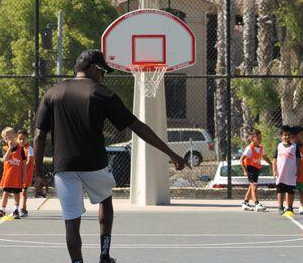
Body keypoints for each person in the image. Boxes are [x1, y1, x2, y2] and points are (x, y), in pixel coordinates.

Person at [33, 49, 189, 263]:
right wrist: (171, 154)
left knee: (71, 221)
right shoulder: (101, 93)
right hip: (95, 164)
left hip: (63, 166)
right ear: (94, 69)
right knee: (105, 201)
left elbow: (39, 135)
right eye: (103, 72)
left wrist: (38, 174)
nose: (103, 76)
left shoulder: (52, 93)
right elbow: (138, 127)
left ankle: (77, 262)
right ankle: (105, 255)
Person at [0, 127, 26, 220]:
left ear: (15, 136)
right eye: (6, 138)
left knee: (17, 194)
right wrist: (10, 148)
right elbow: (5, 159)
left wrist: (24, 176)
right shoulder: (5, 148)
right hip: (8, 176)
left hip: (17, 176)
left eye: (10, 137)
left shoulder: (21, 149)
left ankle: (16, 210)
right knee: (6, 193)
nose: (8, 139)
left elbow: (24, 164)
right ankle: (2, 210)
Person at [240, 129, 272, 212]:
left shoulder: (261, 148)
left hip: (257, 169)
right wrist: (245, 170)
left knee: (251, 188)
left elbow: (265, 157)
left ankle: (245, 203)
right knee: (254, 187)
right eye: (257, 138)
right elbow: (241, 160)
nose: (260, 139)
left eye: (260, 137)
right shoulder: (249, 148)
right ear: (251, 138)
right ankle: (256, 204)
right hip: (250, 169)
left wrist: (272, 165)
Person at [272, 125, 301, 215]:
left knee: (290, 191)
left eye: (288, 135)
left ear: (291, 136)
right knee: (280, 191)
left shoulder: (295, 147)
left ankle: (289, 207)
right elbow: (274, 160)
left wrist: (298, 170)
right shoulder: (279, 146)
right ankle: (280, 207)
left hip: (290, 174)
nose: (286, 137)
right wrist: (274, 170)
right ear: (281, 136)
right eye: (284, 135)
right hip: (280, 173)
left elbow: (298, 160)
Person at [17, 129, 35, 217]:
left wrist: (22, 171)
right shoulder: (17, 149)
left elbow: (28, 162)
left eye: (23, 139)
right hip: (19, 175)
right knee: (19, 192)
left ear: (27, 139)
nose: (21, 141)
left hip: (26, 175)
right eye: (19, 139)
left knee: (23, 191)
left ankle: (23, 210)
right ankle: (19, 208)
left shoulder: (29, 149)